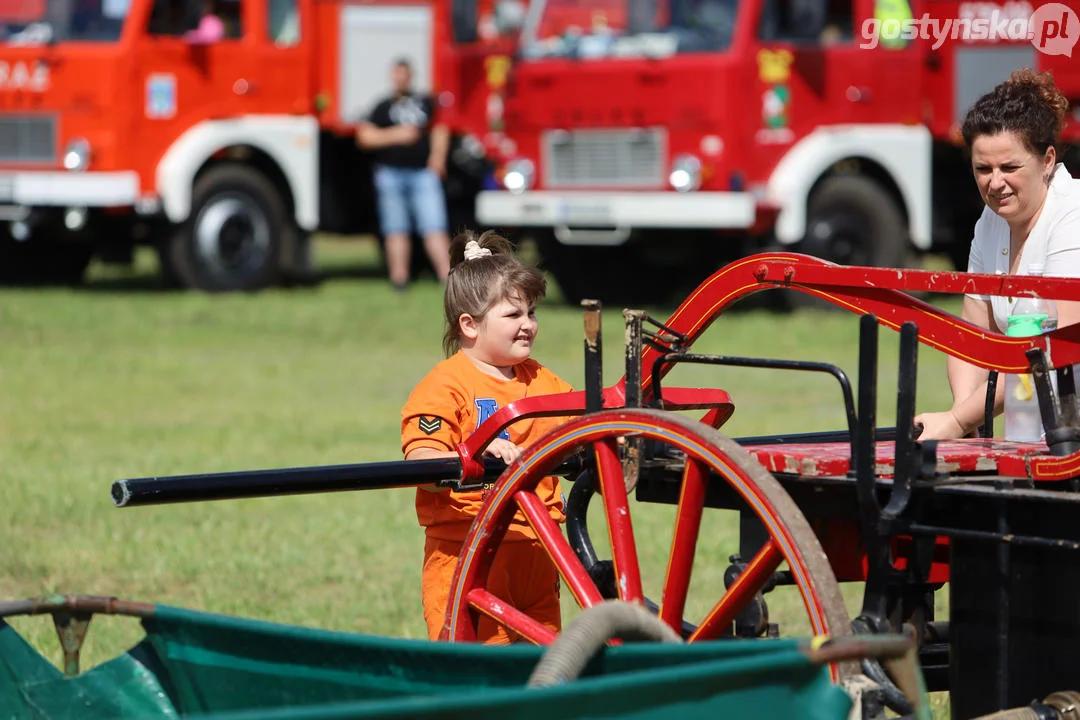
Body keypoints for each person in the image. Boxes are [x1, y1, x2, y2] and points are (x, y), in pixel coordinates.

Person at [400, 230, 572, 643]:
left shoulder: (543, 381)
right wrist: (473, 449)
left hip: (540, 554)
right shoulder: (446, 385)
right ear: (469, 325)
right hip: (469, 555)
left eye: (531, 313)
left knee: (543, 676)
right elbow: (422, 462)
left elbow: (585, 427)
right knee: (479, 681)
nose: (528, 325)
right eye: (513, 316)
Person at [914, 68, 1080, 440]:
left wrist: (958, 422)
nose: (995, 182)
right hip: (1039, 433)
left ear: (1048, 159)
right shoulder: (989, 223)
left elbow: (1059, 346)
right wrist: (963, 415)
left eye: (1009, 167)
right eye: (983, 169)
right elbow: (971, 336)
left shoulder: (1074, 215)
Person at [357, 58, 452, 290]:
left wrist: (438, 157)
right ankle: (399, 279)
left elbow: (441, 127)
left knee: (434, 226)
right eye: (397, 74)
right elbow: (365, 136)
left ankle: (449, 279)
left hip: (422, 174)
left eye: (405, 74)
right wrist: (395, 135)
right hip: (391, 174)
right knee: (395, 228)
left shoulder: (423, 102)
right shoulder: (383, 106)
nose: (401, 78)